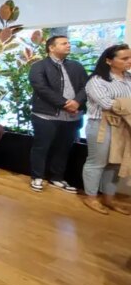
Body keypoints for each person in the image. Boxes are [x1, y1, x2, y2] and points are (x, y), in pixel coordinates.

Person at [28, 35, 88, 193]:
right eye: (64, 43)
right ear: (51, 47)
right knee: (41, 147)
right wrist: (65, 103)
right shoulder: (39, 66)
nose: (68, 45)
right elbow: (41, 88)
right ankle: (37, 176)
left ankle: (57, 177)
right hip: (45, 115)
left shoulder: (76, 66)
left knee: (63, 147)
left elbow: (86, 86)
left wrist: (77, 102)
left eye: (68, 43)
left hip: (72, 116)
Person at [81, 44, 131, 214]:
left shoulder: (129, 78)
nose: (129, 61)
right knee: (97, 163)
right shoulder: (97, 81)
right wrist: (124, 105)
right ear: (109, 61)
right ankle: (91, 197)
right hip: (101, 126)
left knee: (115, 163)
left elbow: (118, 104)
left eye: (130, 57)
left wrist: (121, 104)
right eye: (124, 58)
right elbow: (108, 104)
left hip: (123, 126)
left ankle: (109, 199)